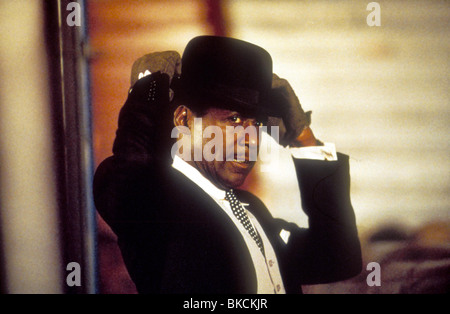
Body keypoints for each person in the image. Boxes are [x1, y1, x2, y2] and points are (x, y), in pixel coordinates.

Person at [93, 36, 362, 294]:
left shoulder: (250, 209)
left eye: (257, 124)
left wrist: (304, 137)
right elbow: (129, 179)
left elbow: (337, 256)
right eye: (233, 120)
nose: (251, 139)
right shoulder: (157, 203)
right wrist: (147, 93)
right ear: (185, 119)